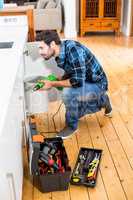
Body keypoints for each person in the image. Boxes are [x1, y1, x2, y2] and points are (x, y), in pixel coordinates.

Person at [36, 30, 112, 139]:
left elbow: (77, 81)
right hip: (87, 80)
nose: (40, 52)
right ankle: (103, 100)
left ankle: (72, 127)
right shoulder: (60, 51)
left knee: (67, 93)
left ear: (52, 44)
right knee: (76, 112)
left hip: (98, 83)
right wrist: (60, 79)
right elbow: (74, 70)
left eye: (41, 48)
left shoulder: (74, 50)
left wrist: (52, 83)